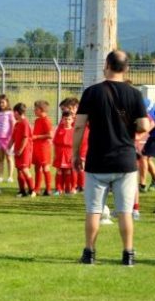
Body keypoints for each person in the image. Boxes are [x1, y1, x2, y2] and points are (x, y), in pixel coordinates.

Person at [74, 50, 150, 266]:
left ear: (106, 65)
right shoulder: (134, 94)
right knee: (125, 211)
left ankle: (89, 252)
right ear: (126, 68)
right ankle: (128, 254)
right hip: (125, 161)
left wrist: (75, 153)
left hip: (97, 160)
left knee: (94, 210)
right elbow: (144, 125)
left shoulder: (91, 93)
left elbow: (79, 125)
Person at [8, 103, 34, 197]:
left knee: (24, 169)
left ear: (16, 112)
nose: (13, 115)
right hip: (17, 150)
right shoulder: (17, 124)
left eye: (13, 113)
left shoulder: (24, 123)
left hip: (25, 151)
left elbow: (25, 138)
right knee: (19, 170)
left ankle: (32, 190)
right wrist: (9, 146)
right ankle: (22, 191)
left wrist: (20, 150)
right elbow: (13, 137)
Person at [32, 100, 53, 196]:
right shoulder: (37, 120)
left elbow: (50, 135)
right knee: (37, 168)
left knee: (45, 167)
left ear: (41, 110)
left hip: (44, 148)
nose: (34, 111)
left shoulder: (46, 120)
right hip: (36, 147)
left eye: (35, 109)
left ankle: (48, 189)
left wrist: (36, 137)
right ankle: (37, 189)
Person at [0, 94, 15, 184]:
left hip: (8, 139)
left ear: (7, 102)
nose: (1, 104)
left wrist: (12, 138)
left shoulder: (10, 113)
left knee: (9, 158)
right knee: (0, 158)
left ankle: (10, 176)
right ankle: (0, 176)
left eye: (2, 102)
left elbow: (13, 125)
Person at [53, 111, 75, 195]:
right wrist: (55, 154)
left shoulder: (73, 131)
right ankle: (59, 189)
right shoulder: (59, 130)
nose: (67, 121)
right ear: (62, 120)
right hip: (60, 153)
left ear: (72, 120)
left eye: (69, 119)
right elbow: (55, 143)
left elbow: (76, 144)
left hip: (69, 153)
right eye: (65, 119)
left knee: (68, 171)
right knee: (59, 171)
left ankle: (68, 189)